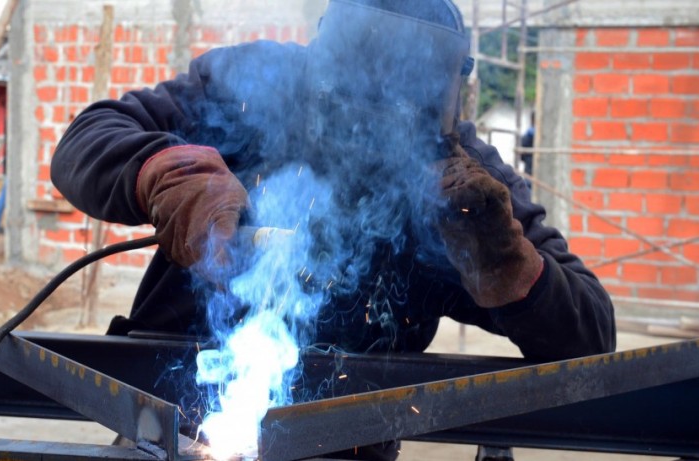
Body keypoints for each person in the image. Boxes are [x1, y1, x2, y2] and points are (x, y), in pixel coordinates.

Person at [52, 1, 615, 456]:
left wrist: (507, 265)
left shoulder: (464, 185)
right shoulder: (253, 88)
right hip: (171, 423)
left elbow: (592, 335)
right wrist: (172, 177)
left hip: (343, 446)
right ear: (319, 61)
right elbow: (89, 136)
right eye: (344, 104)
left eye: (387, 118)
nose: (359, 134)